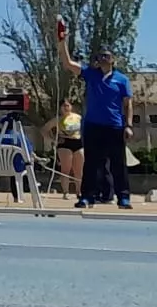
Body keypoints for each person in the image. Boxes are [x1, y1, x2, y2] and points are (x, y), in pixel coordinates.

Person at [57, 20, 133, 209]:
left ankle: (123, 197)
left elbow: (128, 104)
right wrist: (62, 41)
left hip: (115, 126)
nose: (103, 59)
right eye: (100, 56)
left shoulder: (122, 80)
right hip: (93, 126)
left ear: (113, 59)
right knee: (91, 163)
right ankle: (87, 197)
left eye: (107, 56)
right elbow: (68, 64)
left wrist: (129, 125)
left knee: (118, 163)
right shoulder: (91, 74)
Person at [55, 96, 85, 202]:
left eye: (67, 105)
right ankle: (65, 192)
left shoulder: (78, 117)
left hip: (78, 142)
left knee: (78, 171)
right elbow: (44, 130)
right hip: (65, 144)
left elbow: (83, 130)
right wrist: (53, 139)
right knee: (66, 170)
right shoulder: (58, 119)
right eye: (63, 106)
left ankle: (79, 191)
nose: (66, 108)